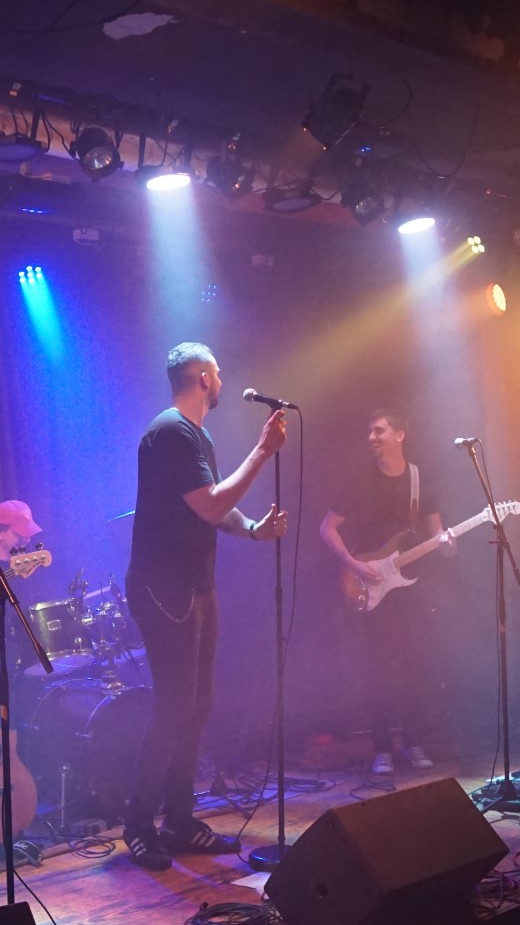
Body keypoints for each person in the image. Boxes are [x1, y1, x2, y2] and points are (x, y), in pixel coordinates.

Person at [122, 342, 288, 870]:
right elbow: (213, 503)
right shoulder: (171, 432)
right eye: (217, 372)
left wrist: (254, 530)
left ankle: (179, 821)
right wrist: (262, 452)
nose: (222, 379)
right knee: (174, 707)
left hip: (195, 587)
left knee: (196, 707)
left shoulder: (197, 435)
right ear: (203, 378)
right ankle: (138, 825)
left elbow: (213, 507)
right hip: (163, 590)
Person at [319, 408, 457, 776]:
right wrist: (354, 564)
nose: (371, 437)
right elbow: (327, 528)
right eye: (369, 431)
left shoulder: (419, 480)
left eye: (379, 430)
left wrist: (448, 544)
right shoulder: (359, 480)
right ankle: (382, 747)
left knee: (415, 667)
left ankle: (413, 742)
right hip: (368, 583)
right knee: (377, 670)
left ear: (400, 435)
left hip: (409, 587)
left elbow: (437, 535)